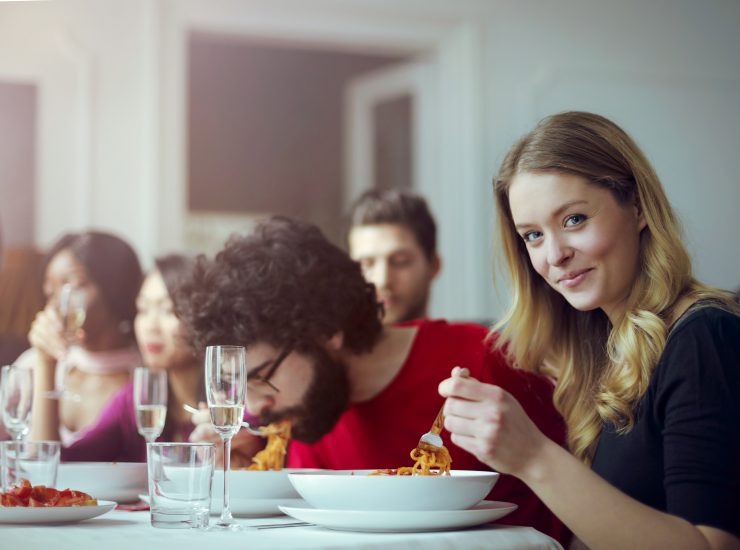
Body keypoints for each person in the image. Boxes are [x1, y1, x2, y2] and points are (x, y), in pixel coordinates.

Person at [437, 111, 740, 549]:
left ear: (637, 206)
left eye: (573, 219)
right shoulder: (609, 351)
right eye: (532, 236)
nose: (555, 255)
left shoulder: (708, 340)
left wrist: (534, 457)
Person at [179, 217, 569, 542]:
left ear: (326, 329)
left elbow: (570, 514)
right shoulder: (307, 413)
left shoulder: (485, 364)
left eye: (260, 377)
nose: (254, 407)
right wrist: (251, 476)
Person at [31, 254, 203, 461]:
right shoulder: (135, 400)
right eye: (143, 309)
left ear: (203, 317)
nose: (150, 325)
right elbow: (58, 461)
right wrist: (45, 361)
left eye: (167, 311)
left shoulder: (231, 408)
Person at [24, 231, 144, 446]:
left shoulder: (145, 376)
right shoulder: (32, 364)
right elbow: (38, 464)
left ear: (114, 288)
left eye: (74, 286)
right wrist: (45, 362)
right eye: (51, 292)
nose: (57, 304)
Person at [348, 189, 440, 325]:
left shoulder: (471, 344)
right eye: (366, 264)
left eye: (399, 262)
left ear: (433, 266)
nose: (382, 280)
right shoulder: (327, 345)